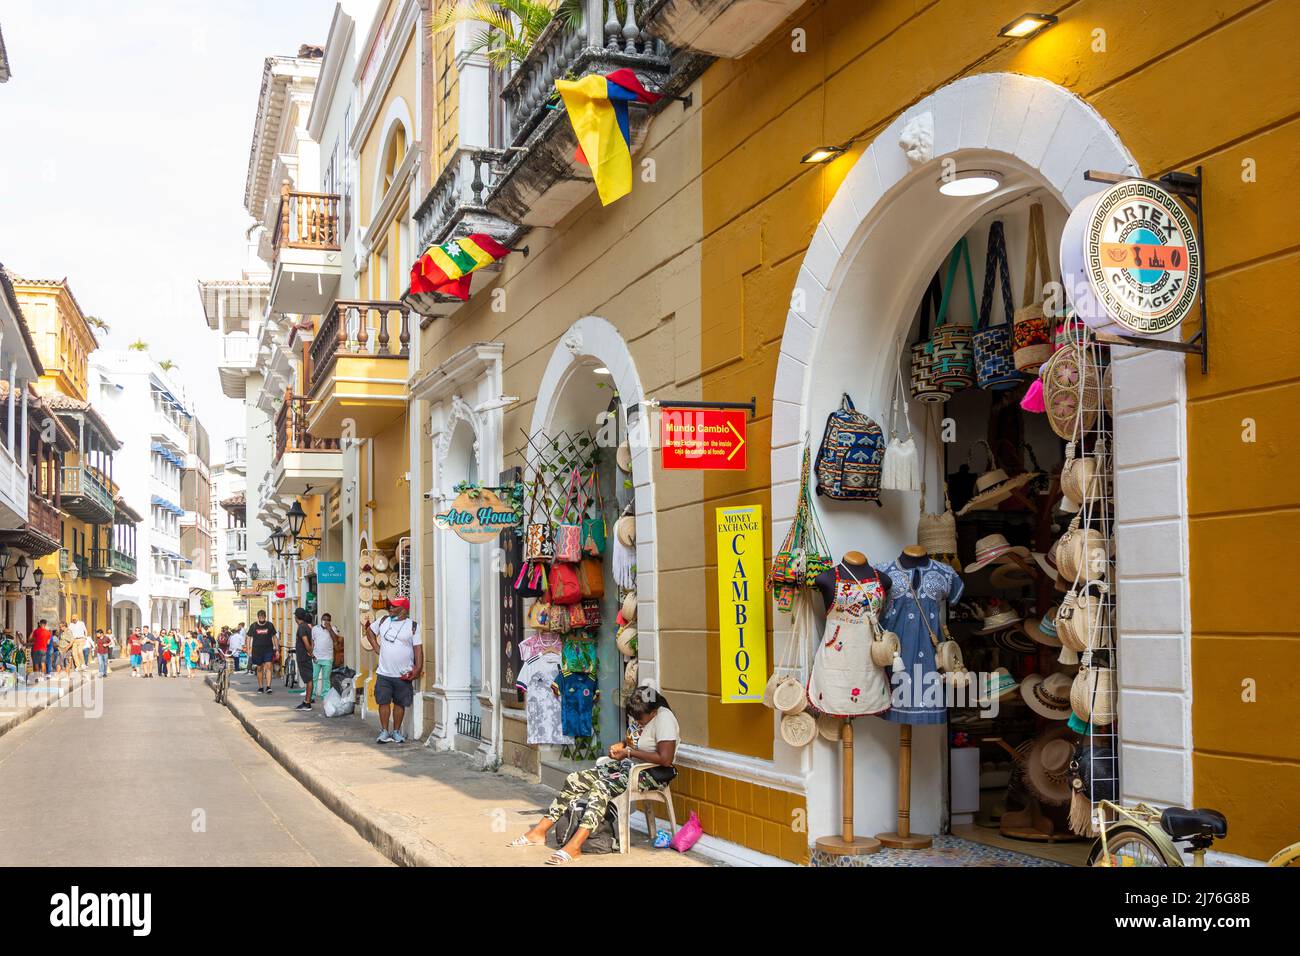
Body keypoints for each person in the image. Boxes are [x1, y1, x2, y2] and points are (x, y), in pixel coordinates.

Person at [511, 686, 679, 864]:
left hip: (652, 773)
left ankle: (575, 846)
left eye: (639, 718)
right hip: (628, 766)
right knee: (574, 780)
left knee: (601, 787)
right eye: (634, 717)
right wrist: (621, 745)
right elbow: (636, 739)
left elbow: (665, 758)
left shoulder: (664, 719)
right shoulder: (642, 713)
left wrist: (629, 753)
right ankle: (539, 831)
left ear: (653, 712)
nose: (636, 720)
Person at [361, 597, 422, 744]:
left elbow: (418, 649)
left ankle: (396, 731)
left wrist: (418, 668)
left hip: (402, 673)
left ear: (403, 610)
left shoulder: (412, 626)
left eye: (394, 606)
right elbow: (369, 631)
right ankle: (384, 731)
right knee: (383, 702)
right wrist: (376, 647)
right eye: (390, 606)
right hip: (384, 673)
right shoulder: (383, 620)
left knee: (400, 703)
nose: (390, 608)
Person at [311, 613, 339, 706]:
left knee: (326, 678)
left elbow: (336, 640)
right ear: (321, 620)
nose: (325, 621)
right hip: (316, 657)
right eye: (324, 619)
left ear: (330, 621)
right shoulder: (315, 629)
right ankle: (312, 696)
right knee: (314, 677)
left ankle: (325, 696)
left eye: (327, 620)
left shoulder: (333, 629)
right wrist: (311, 653)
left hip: (327, 658)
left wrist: (329, 629)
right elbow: (312, 641)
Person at [246, 610, 276, 694]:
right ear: (258, 617)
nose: (261, 618)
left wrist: (276, 649)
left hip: (268, 649)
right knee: (259, 668)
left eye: (263, 617)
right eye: (260, 617)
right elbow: (248, 637)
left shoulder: (270, 625)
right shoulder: (254, 626)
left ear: (265, 617)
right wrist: (248, 649)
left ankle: (269, 687)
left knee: (269, 666)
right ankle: (260, 687)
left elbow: (274, 637)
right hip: (257, 650)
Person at [292, 609, 315, 710]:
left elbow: (306, 642)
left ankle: (307, 702)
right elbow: (312, 641)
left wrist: (311, 653)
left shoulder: (301, 628)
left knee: (308, 680)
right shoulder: (306, 626)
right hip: (305, 657)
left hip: (304, 658)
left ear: (296, 617)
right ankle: (307, 701)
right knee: (308, 679)